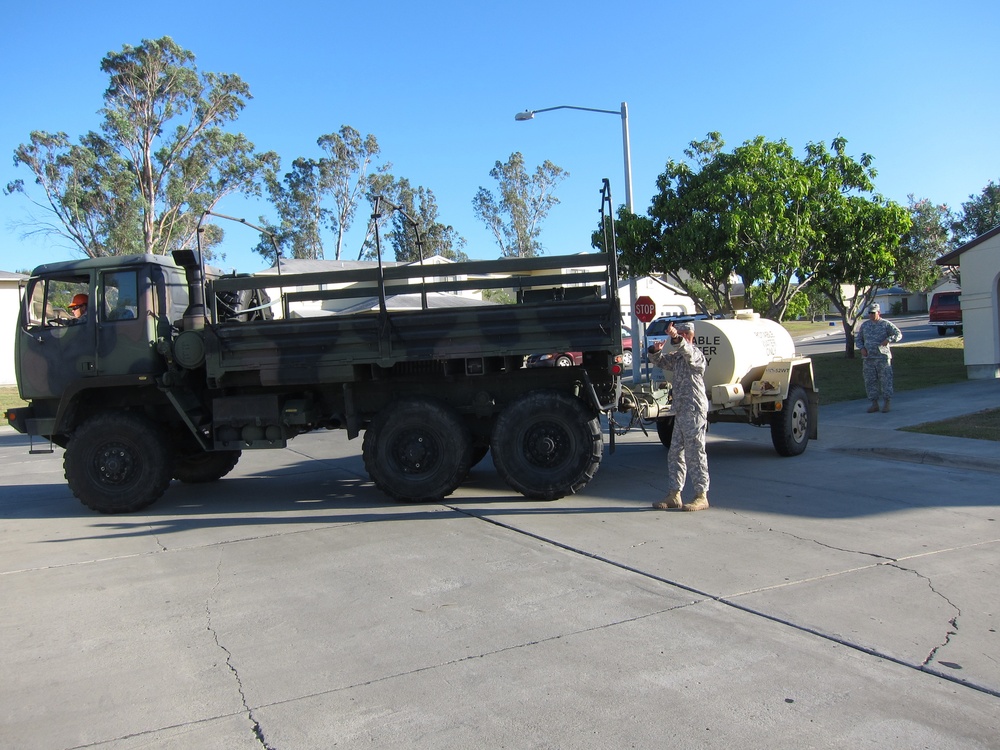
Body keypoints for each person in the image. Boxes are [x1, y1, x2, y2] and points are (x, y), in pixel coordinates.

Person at [648, 321, 710, 511]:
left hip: (694, 409)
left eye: (685, 334)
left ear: (692, 337)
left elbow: (687, 351)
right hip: (681, 410)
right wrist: (655, 350)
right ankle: (674, 494)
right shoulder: (677, 358)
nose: (682, 336)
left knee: (695, 452)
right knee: (675, 453)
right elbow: (660, 361)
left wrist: (675, 338)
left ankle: (701, 495)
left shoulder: (696, 354)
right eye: (680, 333)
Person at [854, 302, 902, 413]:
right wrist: (862, 348)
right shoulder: (865, 325)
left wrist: (889, 340)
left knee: (885, 380)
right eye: (869, 313)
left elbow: (898, 334)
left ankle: (887, 403)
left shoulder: (885, 324)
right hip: (868, 359)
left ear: (878, 313)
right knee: (870, 381)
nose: (870, 315)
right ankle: (874, 404)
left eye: (873, 313)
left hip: (882, 358)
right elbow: (859, 339)